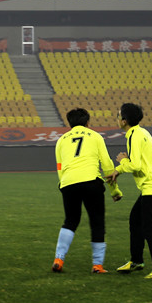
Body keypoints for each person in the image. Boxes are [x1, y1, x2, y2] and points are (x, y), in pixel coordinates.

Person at [52, 108, 123, 274]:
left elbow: (60, 166)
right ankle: (97, 265)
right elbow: (107, 164)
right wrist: (114, 190)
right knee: (97, 221)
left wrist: (63, 183)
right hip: (91, 182)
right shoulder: (96, 136)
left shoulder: (61, 140)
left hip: (68, 183)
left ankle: (58, 259)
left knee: (70, 221)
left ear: (70, 123)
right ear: (88, 122)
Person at [107, 103, 152, 279]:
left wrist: (121, 162)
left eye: (118, 115)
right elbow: (140, 161)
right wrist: (119, 170)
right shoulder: (141, 132)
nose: (117, 118)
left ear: (124, 121)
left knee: (150, 229)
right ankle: (136, 261)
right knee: (135, 221)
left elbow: (135, 165)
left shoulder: (134, 136)